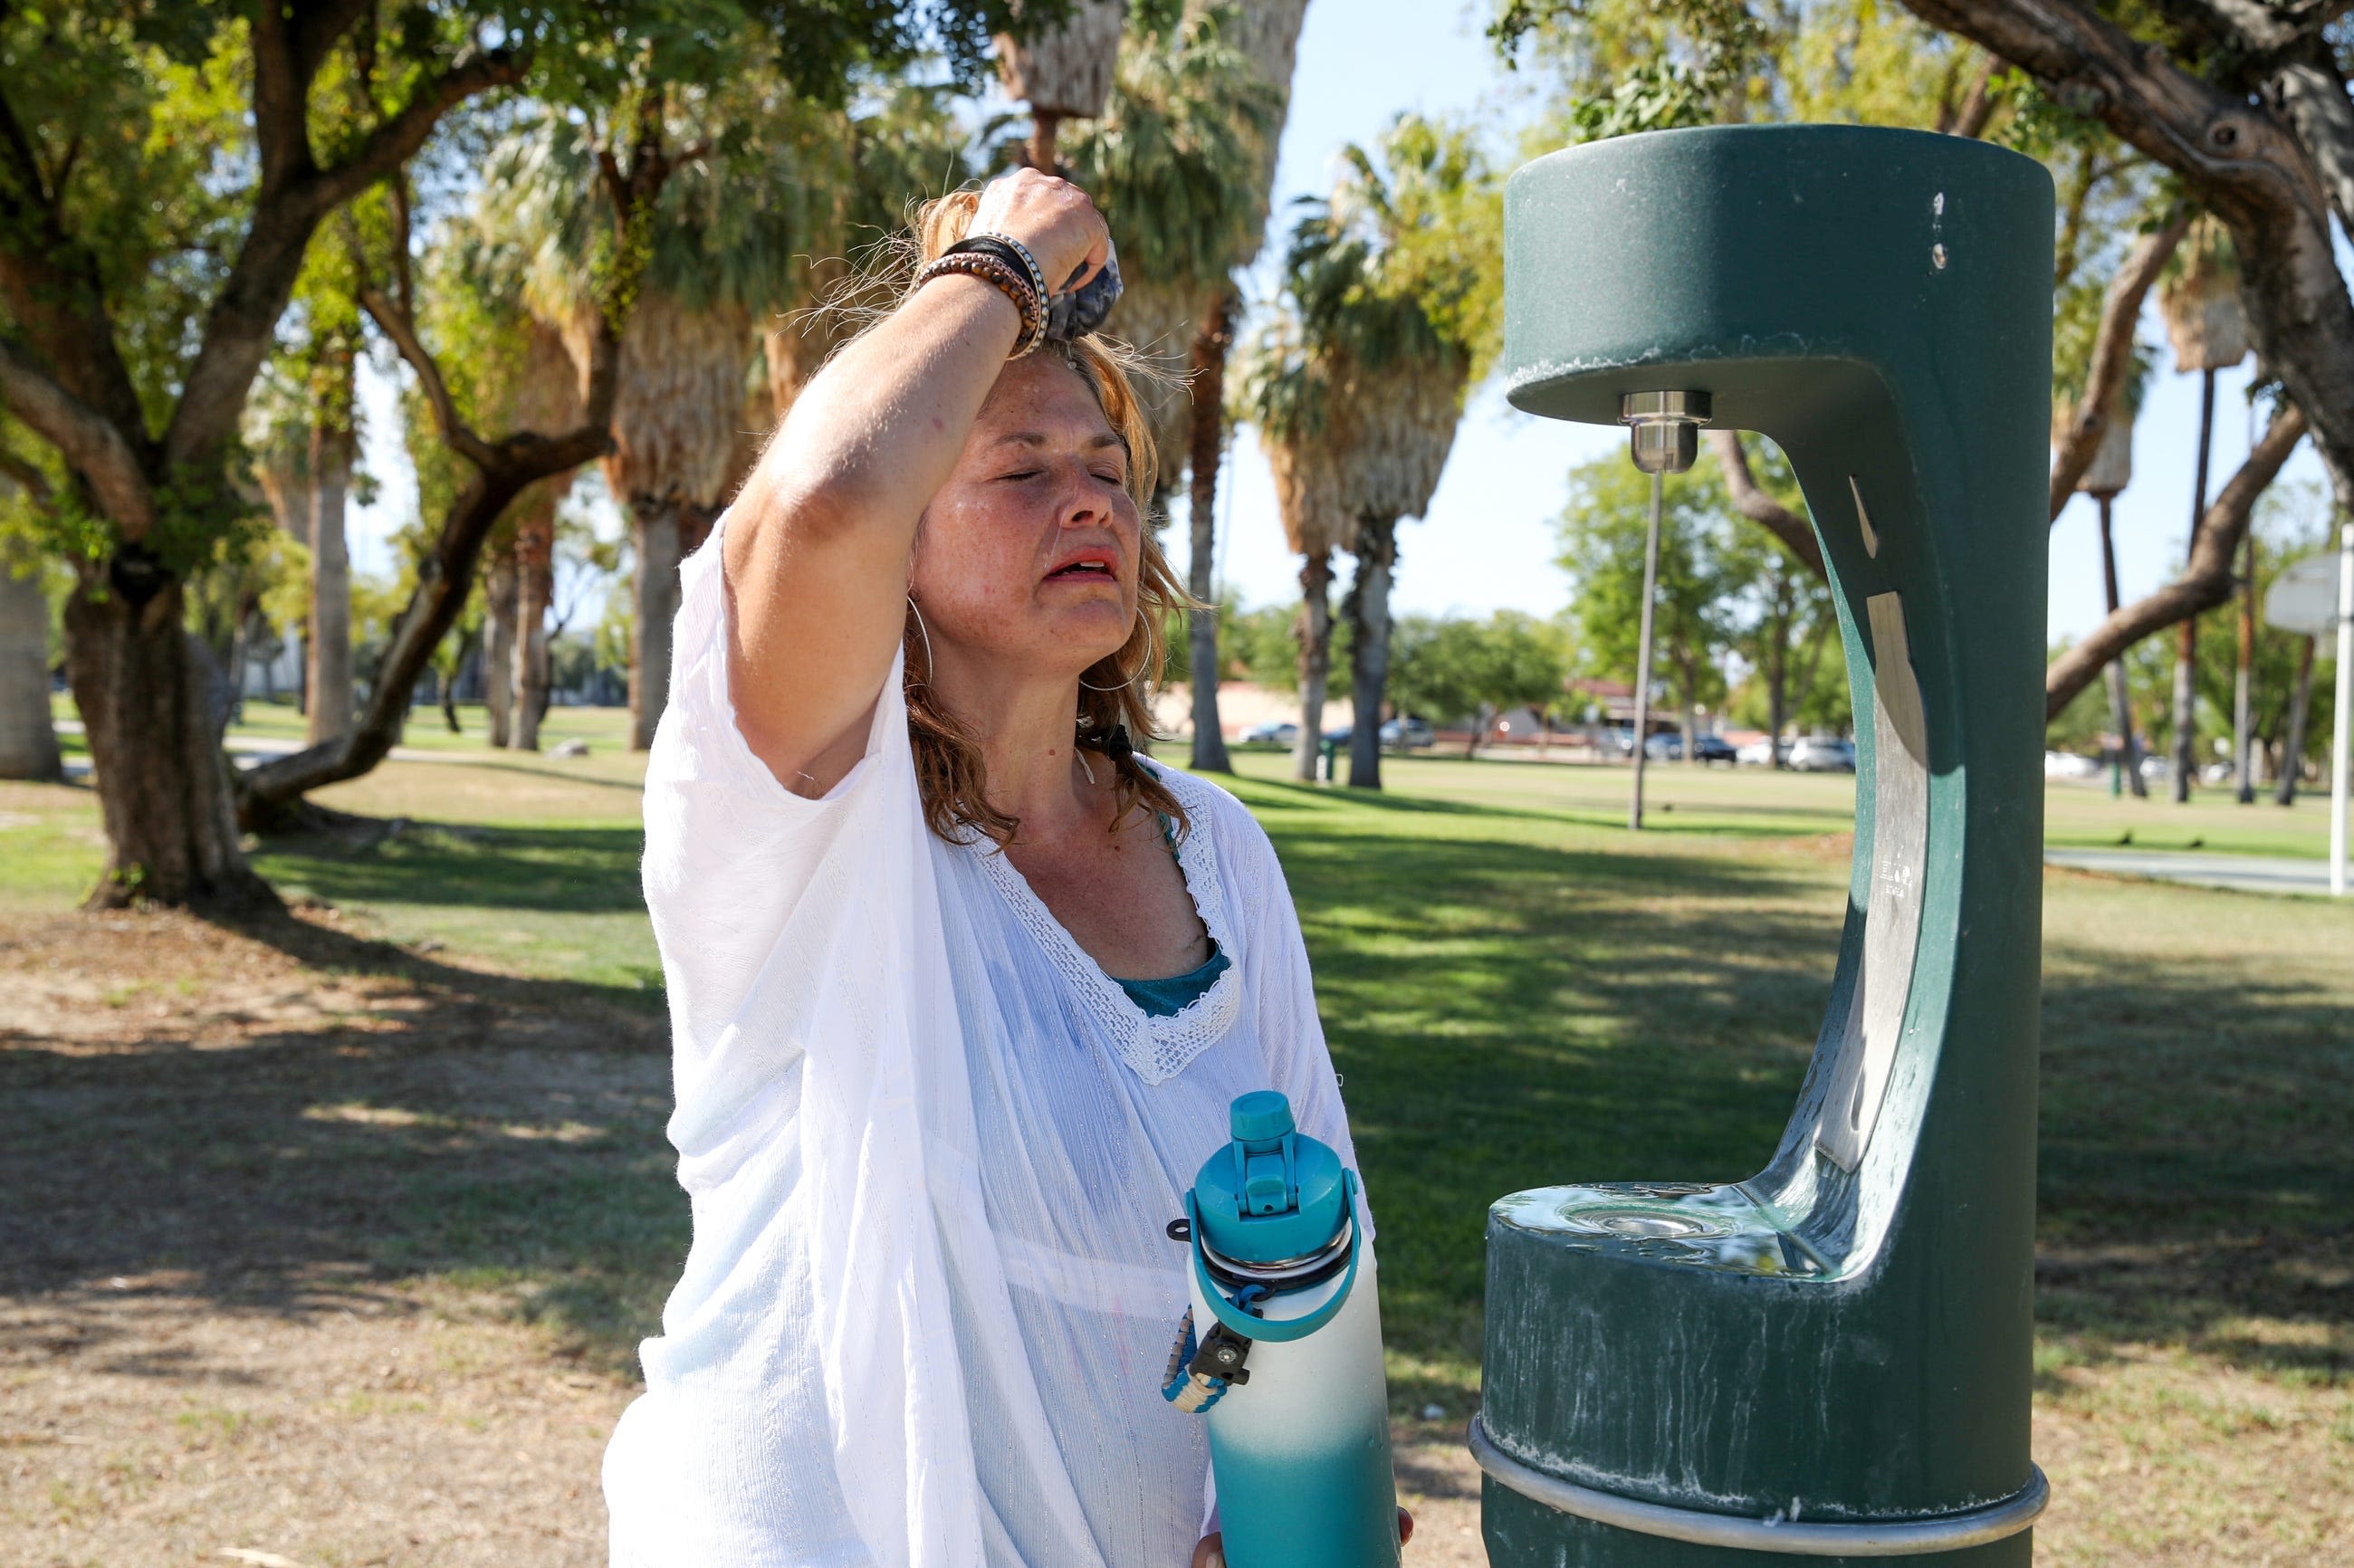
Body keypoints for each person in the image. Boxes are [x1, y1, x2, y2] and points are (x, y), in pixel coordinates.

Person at [602, 171, 1401, 1567]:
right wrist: (999, 264)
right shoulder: (797, 814)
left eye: (1107, 469)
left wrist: (1275, 1508)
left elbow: (1312, 1245)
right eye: (1021, 470)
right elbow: (831, 496)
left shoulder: (1216, 850)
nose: (1087, 501)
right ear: (904, 544)